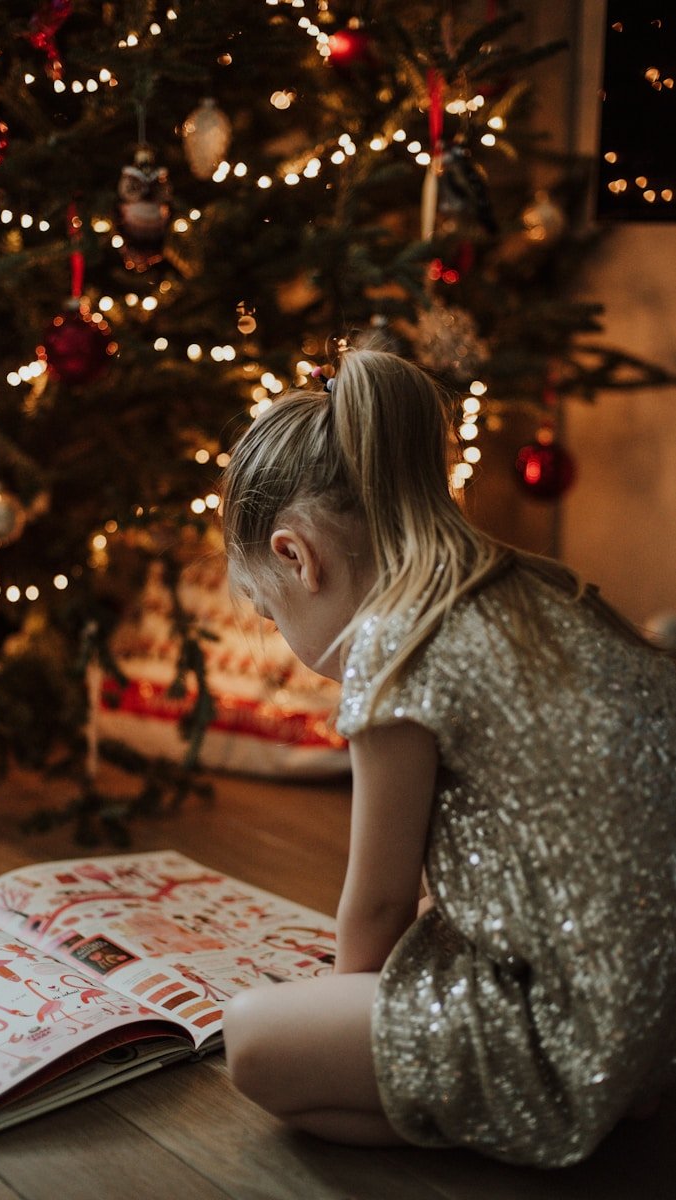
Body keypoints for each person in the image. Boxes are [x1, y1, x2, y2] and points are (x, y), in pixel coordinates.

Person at [218, 346, 676, 1167]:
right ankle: (601, 1089)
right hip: (657, 1015)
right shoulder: (536, 587)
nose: (285, 642)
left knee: (253, 1041)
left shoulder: (394, 641)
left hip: (572, 1029)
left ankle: (557, 1110)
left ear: (297, 556)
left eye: (267, 610)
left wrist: (339, 997)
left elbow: (380, 906)